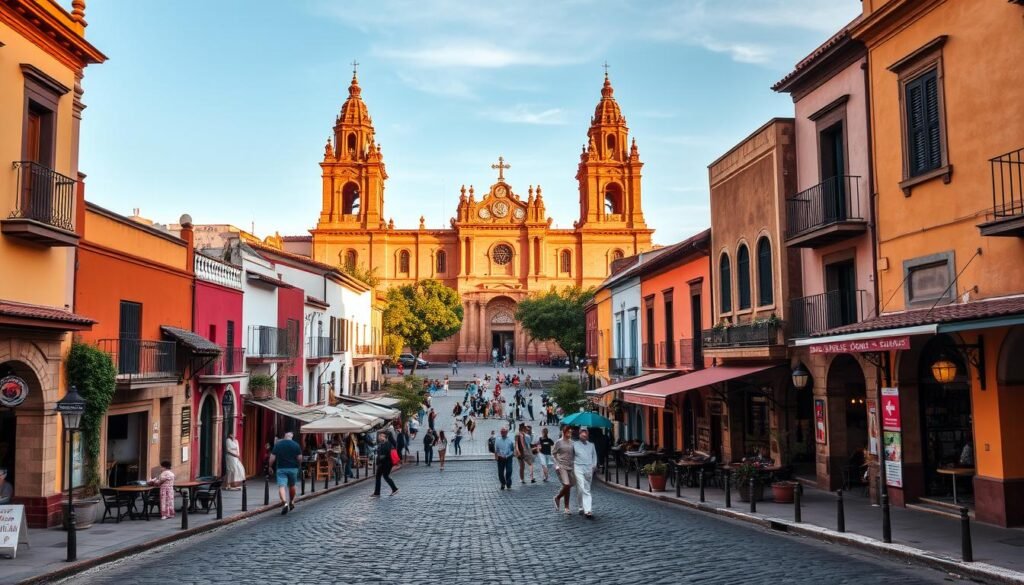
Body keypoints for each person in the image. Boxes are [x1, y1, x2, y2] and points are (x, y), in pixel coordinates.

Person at [269, 431, 302, 515]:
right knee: (292, 485)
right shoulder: (296, 445)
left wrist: (270, 466)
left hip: (281, 468)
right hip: (293, 468)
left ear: (284, 436)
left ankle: (284, 502)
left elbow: (272, 457)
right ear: (292, 437)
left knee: (281, 486)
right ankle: (291, 501)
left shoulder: (278, 444)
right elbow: (299, 458)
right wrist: (299, 465)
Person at [573, 428, 598, 519]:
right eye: (582, 435)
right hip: (578, 467)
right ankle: (581, 506)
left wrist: (594, 465)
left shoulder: (591, 445)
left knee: (586, 489)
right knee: (581, 487)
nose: (584, 436)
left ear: (587, 435)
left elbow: (594, 456)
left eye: (585, 435)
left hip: (588, 468)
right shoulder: (574, 444)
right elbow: (571, 456)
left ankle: (588, 510)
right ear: (579, 435)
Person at [551, 426, 575, 514]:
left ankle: (566, 508)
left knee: (568, 487)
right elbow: (553, 453)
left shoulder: (573, 443)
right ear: (564, 432)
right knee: (567, 484)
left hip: (570, 466)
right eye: (569, 432)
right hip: (561, 466)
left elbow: (575, 454)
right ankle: (557, 497)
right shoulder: (559, 442)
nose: (570, 434)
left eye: (571, 432)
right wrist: (556, 464)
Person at [371, 431, 398, 497]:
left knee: (385, 476)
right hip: (383, 463)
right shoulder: (382, 443)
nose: (379, 437)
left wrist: (379, 459)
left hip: (386, 463)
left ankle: (394, 489)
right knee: (380, 476)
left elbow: (385, 454)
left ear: (385, 437)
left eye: (381, 436)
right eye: (379, 436)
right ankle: (377, 493)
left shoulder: (387, 444)